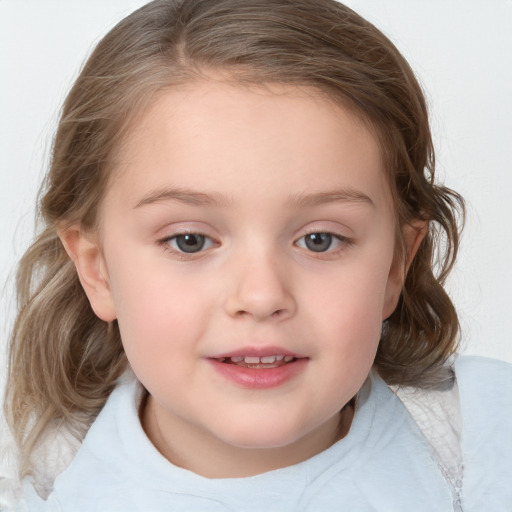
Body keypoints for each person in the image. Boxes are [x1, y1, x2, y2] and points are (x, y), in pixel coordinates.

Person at [2, 0, 511, 510]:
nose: (262, 296)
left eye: (320, 239)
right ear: (98, 270)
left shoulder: (489, 443)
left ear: (396, 265)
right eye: (190, 241)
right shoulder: (32, 486)